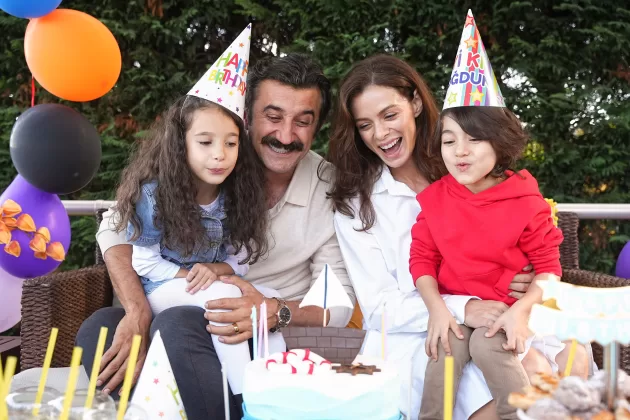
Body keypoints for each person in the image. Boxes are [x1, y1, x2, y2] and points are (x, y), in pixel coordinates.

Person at [76, 52, 354, 420]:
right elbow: (115, 229)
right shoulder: (212, 162)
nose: (286, 135)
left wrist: (275, 312)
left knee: (177, 325)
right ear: (247, 117)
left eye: (302, 122)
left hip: (256, 336)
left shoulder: (328, 186)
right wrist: (137, 310)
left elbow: (338, 300)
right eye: (273, 117)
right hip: (181, 305)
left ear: (316, 127)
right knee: (99, 328)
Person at [326, 53, 590, 420]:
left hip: (504, 312)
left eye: (389, 115)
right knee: (528, 379)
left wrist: (526, 279)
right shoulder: (358, 205)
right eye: (365, 125)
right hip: (418, 336)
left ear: (415, 104)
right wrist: (463, 307)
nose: (381, 134)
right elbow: (379, 307)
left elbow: (528, 248)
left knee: (575, 359)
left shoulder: (465, 164)